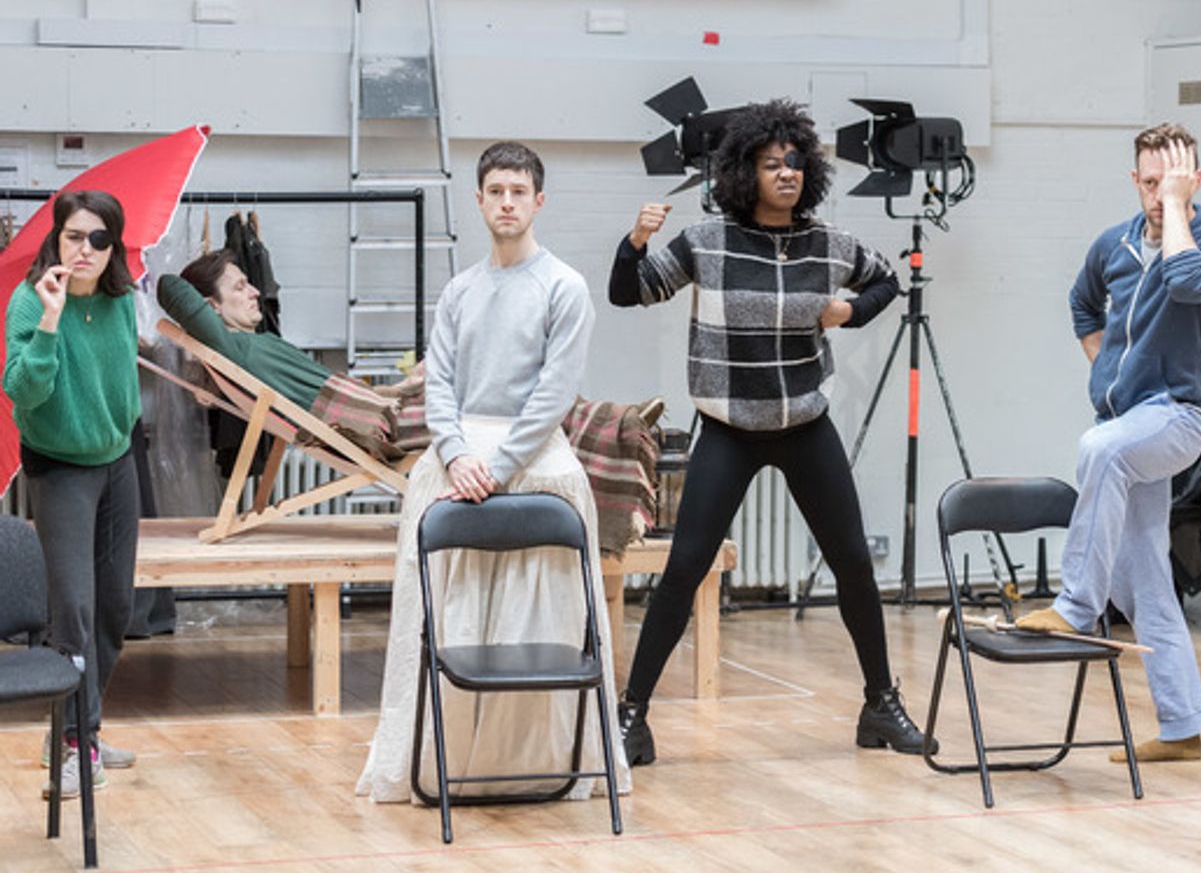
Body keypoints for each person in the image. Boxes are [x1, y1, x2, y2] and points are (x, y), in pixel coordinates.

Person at [608, 98, 926, 766]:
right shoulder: (707, 242)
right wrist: (635, 240)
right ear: (740, 173)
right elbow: (627, 293)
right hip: (728, 427)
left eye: (794, 163)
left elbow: (889, 281)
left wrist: (849, 311)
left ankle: (880, 703)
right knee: (686, 567)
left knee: (855, 566)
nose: (786, 173)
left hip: (805, 424)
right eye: (770, 163)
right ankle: (631, 714)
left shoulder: (830, 244)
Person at [357, 140, 631, 802]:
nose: (507, 202)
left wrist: (499, 467)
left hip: (536, 465)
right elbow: (439, 380)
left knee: (534, 625)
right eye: (496, 191)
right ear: (479, 200)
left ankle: (534, 761)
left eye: (519, 191)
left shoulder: (564, 286)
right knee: (446, 619)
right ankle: (443, 763)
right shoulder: (459, 289)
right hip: (453, 466)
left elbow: (554, 392)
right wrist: (455, 454)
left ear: (539, 201)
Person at [1015, 123, 1201, 763]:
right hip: (1125, 421)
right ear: (1133, 179)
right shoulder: (1112, 245)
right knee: (1144, 581)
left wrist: (1176, 208)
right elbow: (1083, 304)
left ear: (1195, 180)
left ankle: (1076, 604)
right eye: (1147, 183)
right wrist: (1100, 367)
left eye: (1167, 183)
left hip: (1175, 419)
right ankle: (1183, 726)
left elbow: (1191, 281)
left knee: (1099, 449)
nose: (1154, 194)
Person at [4, 190, 142, 797]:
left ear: (113, 247)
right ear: (55, 239)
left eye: (97, 239)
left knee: (114, 611)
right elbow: (23, 393)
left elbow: (119, 381)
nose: (83, 249)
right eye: (72, 236)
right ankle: (70, 746)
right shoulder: (29, 302)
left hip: (117, 463)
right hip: (59, 469)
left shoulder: (121, 301)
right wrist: (52, 321)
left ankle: (78, 728)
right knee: (74, 614)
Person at [157, 249, 429, 461]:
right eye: (240, 288)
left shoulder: (258, 343)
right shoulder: (233, 348)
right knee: (464, 410)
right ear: (211, 306)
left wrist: (403, 388)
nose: (256, 292)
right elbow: (168, 286)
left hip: (379, 412)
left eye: (249, 284)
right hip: (377, 425)